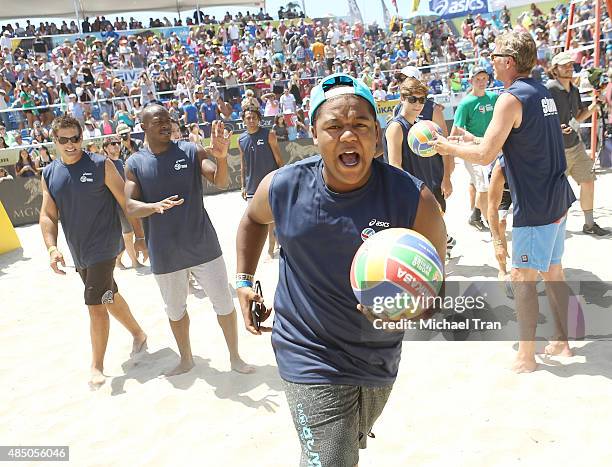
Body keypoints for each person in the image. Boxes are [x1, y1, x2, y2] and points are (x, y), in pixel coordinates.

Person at [235, 73, 446, 466]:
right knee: (329, 459)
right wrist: (244, 281)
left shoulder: (413, 199)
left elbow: (436, 291)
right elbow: (251, 219)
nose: (348, 136)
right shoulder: (283, 187)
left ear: (377, 137)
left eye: (360, 126)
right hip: (306, 349)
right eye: (334, 126)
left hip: (376, 354)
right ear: (313, 134)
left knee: (345, 445)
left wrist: (406, 306)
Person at [431, 31, 577, 373]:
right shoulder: (541, 91)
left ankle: (526, 356)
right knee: (553, 271)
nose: (491, 62)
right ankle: (562, 341)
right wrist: (470, 138)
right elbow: (511, 140)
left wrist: (449, 147)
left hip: (536, 203)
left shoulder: (510, 98)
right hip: (557, 196)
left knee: (521, 276)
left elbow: (484, 157)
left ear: (508, 62)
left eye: (495, 57)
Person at [124, 104, 253, 376]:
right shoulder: (135, 163)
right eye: (158, 121)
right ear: (144, 127)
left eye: (168, 120)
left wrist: (220, 156)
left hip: (203, 244)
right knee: (175, 310)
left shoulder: (190, 150)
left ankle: (235, 357)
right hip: (165, 251)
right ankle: (186, 359)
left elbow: (218, 181)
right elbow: (130, 205)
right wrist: (154, 207)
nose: (165, 124)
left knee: (224, 304)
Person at [39, 116, 147, 389]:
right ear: (55, 142)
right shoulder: (49, 173)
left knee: (95, 305)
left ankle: (96, 366)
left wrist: (141, 237)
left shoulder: (101, 165)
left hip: (106, 246)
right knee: (109, 295)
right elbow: (48, 215)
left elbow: (127, 202)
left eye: (74, 138)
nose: (70, 144)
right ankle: (139, 334)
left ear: (82, 138)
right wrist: (52, 248)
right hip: (79, 250)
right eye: (63, 140)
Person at [382, 75, 455, 257]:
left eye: (422, 99)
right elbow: (395, 167)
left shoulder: (419, 127)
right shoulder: (396, 127)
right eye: (412, 99)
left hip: (424, 191)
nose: (418, 104)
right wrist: (423, 197)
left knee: (432, 246)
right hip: (409, 197)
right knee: (420, 249)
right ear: (402, 99)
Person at [546, 51, 610, 236]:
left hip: (576, 146)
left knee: (588, 182)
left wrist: (593, 107)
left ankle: (589, 224)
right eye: (564, 65)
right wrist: (555, 128)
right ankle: (553, 229)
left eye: (570, 64)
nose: (569, 66)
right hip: (557, 150)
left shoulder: (573, 90)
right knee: (557, 192)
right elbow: (542, 118)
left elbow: (577, 118)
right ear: (554, 70)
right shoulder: (550, 89)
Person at [451, 67, 498, 231]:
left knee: (479, 184)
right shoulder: (466, 103)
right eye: (478, 79)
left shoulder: (494, 97)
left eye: (484, 78)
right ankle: (492, 225)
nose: (481, 82)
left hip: (492, 147)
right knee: (483, 187)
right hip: (474, 149)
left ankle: (475, 215)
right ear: (471, 81)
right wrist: (451, 151)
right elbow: (457, 128)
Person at [238, 107, 284, 259]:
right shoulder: (241, 140)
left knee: (271, 218)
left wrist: (282, 178)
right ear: (243, 120)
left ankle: (271, 250)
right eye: (248, 118)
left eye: (254, 117)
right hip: (251, 186)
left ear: (259, 119)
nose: (251, 120)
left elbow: (278, 158)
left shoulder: (268, 134)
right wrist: (243, 185)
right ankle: (275, 243)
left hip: (270, 182)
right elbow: (243, 164)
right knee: (258, 219)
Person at [102, 136, 144, 269]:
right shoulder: (106, 164)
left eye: (117, 143)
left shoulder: (119, 162)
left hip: (125, 204)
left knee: (126, 234)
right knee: (128, 234)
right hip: (117, 206)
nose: (116, 146)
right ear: (105, 148)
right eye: (112, 144)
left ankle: (118, 260)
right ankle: (134, 262)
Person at [487, 156, 513, 280]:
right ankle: (502, 269)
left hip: (522, 182)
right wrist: (498, 244)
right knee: (500, 223)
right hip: (502, 183)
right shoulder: (499, 166)